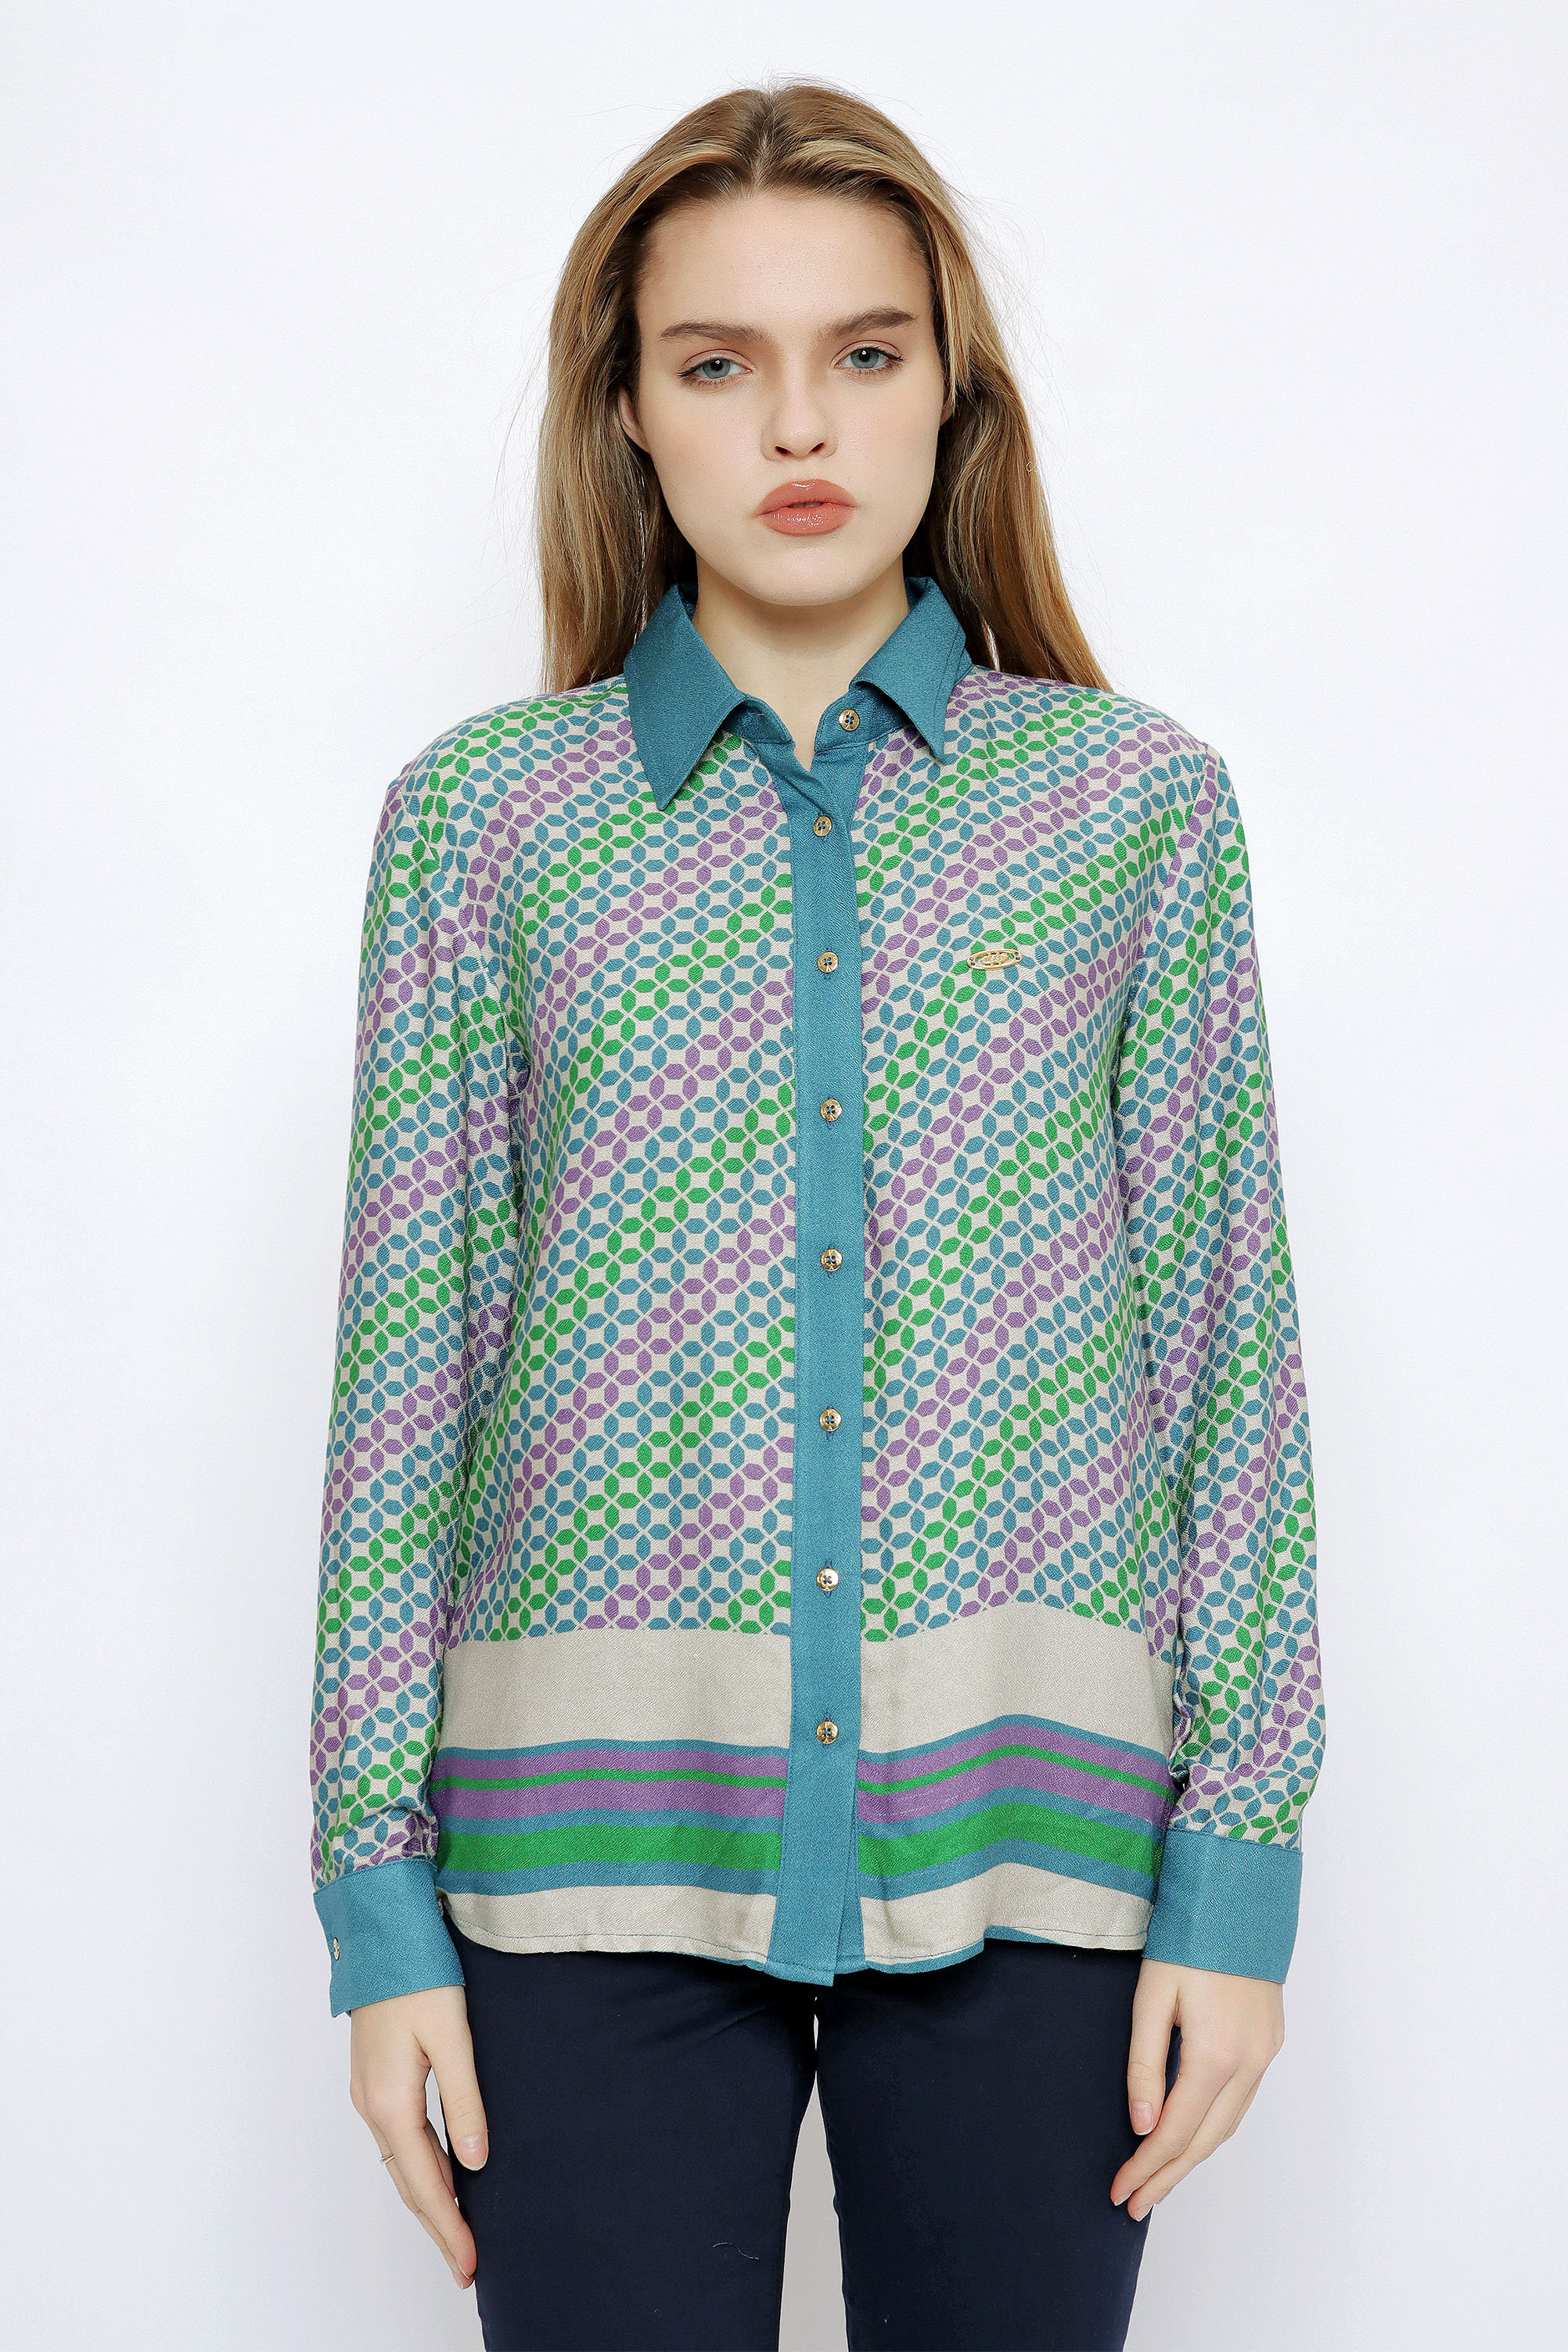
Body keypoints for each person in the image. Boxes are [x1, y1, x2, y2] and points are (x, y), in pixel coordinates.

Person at [308, 80, 1325, 2352]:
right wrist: (375, 1904)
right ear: (626, 409)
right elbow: (405, 1388)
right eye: (716, 361)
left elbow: (1224, 1366)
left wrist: (1240, 1870)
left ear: (951, 390)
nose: (797, 423)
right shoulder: (487, 823)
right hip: (577, 1873)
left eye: (865, 353)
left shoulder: (1134, 811)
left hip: (1034, 1849)